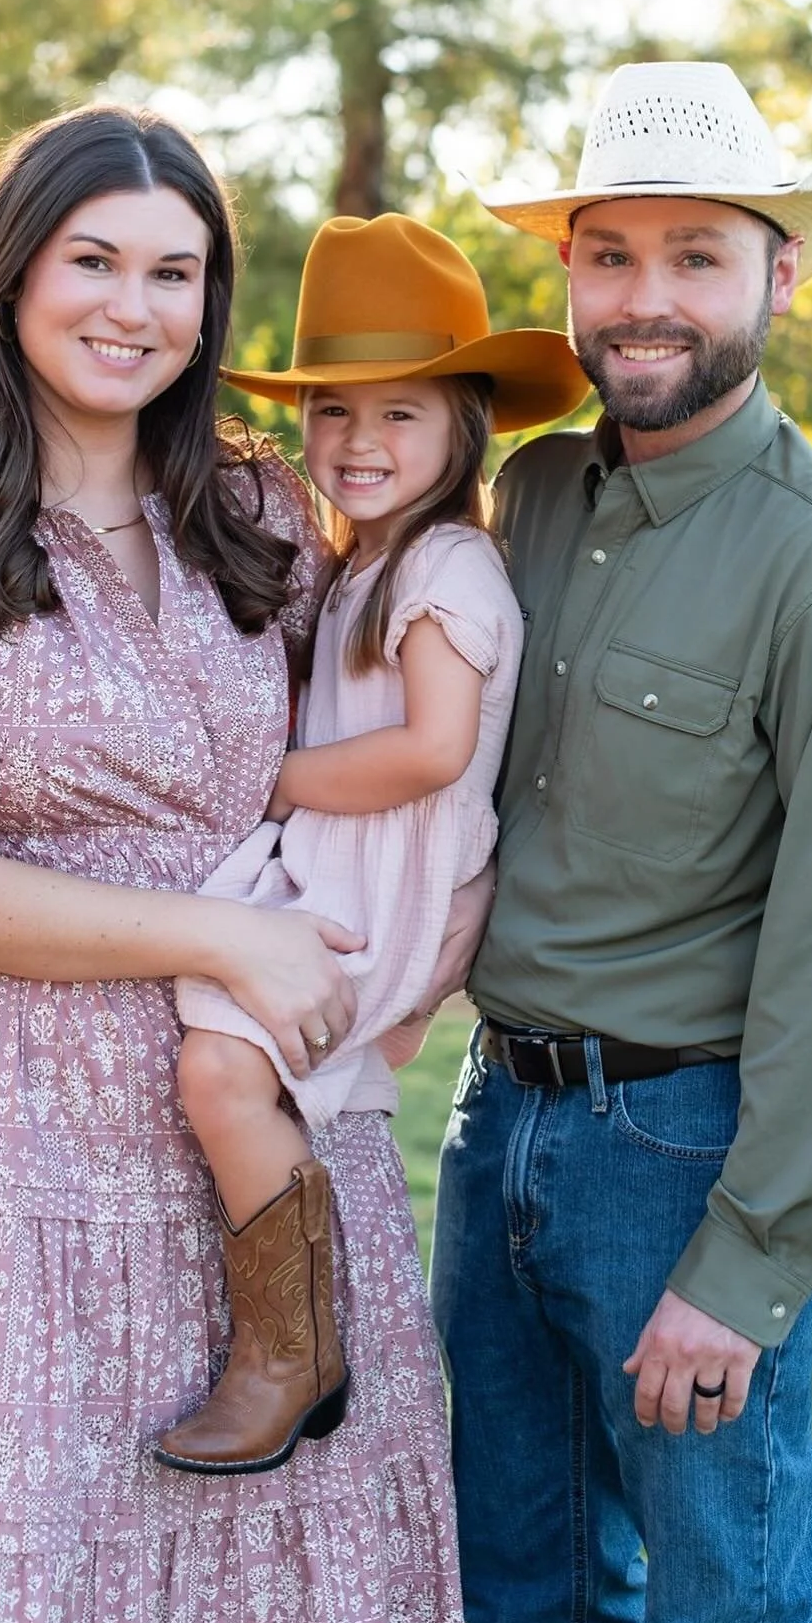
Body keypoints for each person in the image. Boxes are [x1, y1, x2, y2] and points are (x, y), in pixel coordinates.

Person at [0, 104, 474, 1623]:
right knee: (46, 1563)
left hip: (274, 1106)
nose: (134, 307)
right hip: (23, 1141)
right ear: (10, 277)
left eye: (177, 272)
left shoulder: (265, 516)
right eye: (95, 261)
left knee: (299, 1549)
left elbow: (406, 756)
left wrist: (399, 998)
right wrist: (221, 933)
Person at [429, 61, 812, 1623]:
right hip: (492, 1126)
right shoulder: (531, 496)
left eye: (695, 256)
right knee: (526, 1607)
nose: (645, 299)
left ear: (778, 274)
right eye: (609, 254)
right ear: (567, 272)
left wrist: (747, 1267)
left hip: (678, 1155)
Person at [154, 213, 585, 1477]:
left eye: (400, 415)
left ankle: (293, 1350)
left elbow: (435, 749)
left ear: (469, 425)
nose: (359, 442)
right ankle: (296, 1337)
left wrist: (266, 779)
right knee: (211, 1054)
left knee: (220, 1076)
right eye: (335, 413)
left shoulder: (447, 562)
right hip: (344, 861)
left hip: (376, 881)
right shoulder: (364, 563)